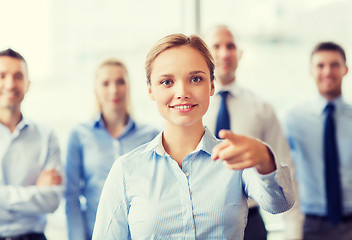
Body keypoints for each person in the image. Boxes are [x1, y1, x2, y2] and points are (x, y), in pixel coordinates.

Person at [92, 33, 294, 239]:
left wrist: (264, 158)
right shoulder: (126, 171)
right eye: (167, 82)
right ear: (150, 90)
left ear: (212, 85)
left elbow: (280, 203)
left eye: (195, 79)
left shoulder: (235, 160)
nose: (182, 92)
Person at [204, 25, 299, 239]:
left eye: (230, 46)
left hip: (252, 223)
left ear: (240, 53)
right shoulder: (191, 108)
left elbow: (284, 172)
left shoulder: (261, 108)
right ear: (205, 54)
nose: (224, 53)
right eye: (216, 46)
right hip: (203, 220)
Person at [65, 58, 159, 240]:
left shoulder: (151, 135)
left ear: (129, 87)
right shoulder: (79, 134)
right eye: (106, 83)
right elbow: (71, 196)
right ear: (96, 89)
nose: (114, 89)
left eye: (120, 82)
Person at [282, 42, 352, 240]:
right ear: (311, 70)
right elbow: (279, 165)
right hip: (311, 224)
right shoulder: (292, 119)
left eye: (334, 65)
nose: (328, 71)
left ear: (345, 69)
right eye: (320, 65)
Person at [0, 48, 63, 240]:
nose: (10, 84)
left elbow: (53, 200)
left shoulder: (46, 135)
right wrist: (35, 193)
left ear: (28, 84)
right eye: (2, 76)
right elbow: (43, 198)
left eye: (18, 76)